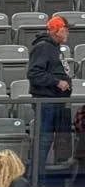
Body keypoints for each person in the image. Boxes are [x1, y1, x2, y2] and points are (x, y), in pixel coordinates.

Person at [28, 15, 72, 166]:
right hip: (46, 102)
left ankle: (41, 181)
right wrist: (57, 82)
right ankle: (35, 184)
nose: (67, 33)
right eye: (65, 30)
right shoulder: (43, 47)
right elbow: (34, 73)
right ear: (56, 31)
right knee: (44, 140)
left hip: (56, 101)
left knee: (54, 140)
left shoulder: (54, 48)